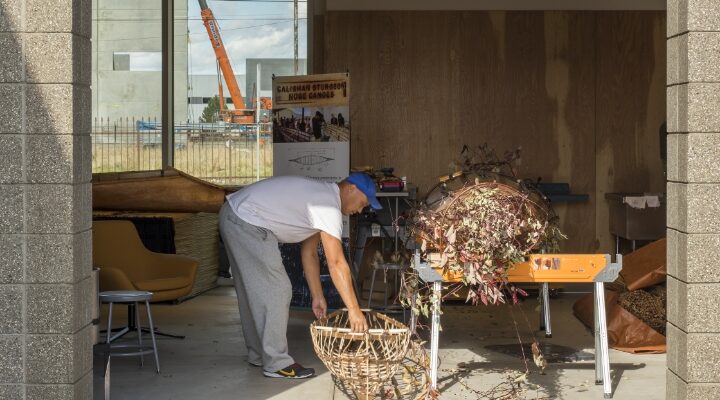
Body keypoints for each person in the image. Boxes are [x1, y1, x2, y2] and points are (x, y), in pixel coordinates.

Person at [218, 173, 381, 379]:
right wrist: (354, 310)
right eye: (363, 204)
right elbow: (337, 263)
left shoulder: (322, 200)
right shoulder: (328, 206)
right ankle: (276, 363)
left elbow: (309, 253)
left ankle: (259, 354)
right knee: (278, 290)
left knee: (253, 289)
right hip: (246, 221)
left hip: (234, 215)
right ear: (352, 188)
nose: (359, 210)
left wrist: (317, 296)